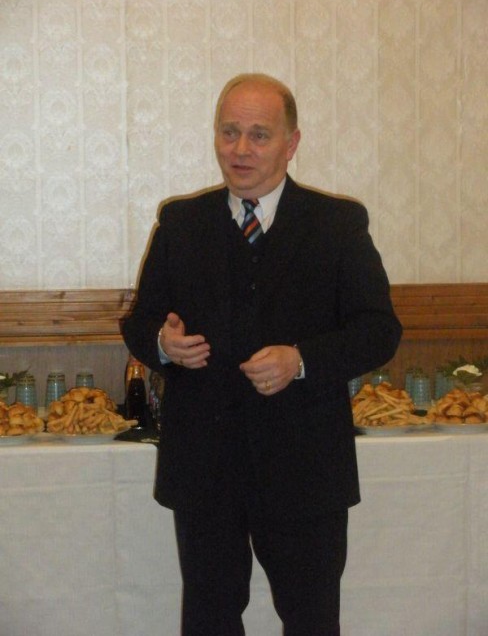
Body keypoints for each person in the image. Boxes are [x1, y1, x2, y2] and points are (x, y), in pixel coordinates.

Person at [121, 73, 402, 636]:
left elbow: (379, 330)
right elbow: (140, 322)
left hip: (305, 467)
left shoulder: (338, 225)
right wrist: (162, 345)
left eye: (259, 135)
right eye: (229, 132)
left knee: (311, 620)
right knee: (209, 619)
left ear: (291, 143)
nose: (240, 149)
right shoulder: (181, 222)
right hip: (205, 466)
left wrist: (301, 360)